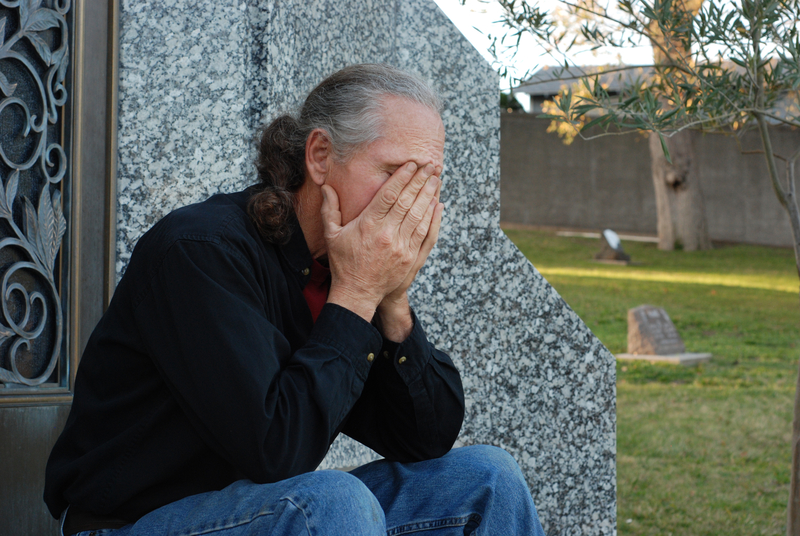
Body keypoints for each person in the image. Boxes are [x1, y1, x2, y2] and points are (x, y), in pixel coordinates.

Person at [44, 64, 546, 536]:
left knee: (488, 478)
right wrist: (357, 294)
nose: (409, 201)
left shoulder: (343, 265)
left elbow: (425, 440)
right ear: (321, 157)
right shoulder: (201, 251)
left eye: (427, 181)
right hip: (128, 521)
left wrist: (394, 302)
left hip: (269, 509)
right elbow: (275, 453)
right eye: (394, 172)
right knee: (332, 501)